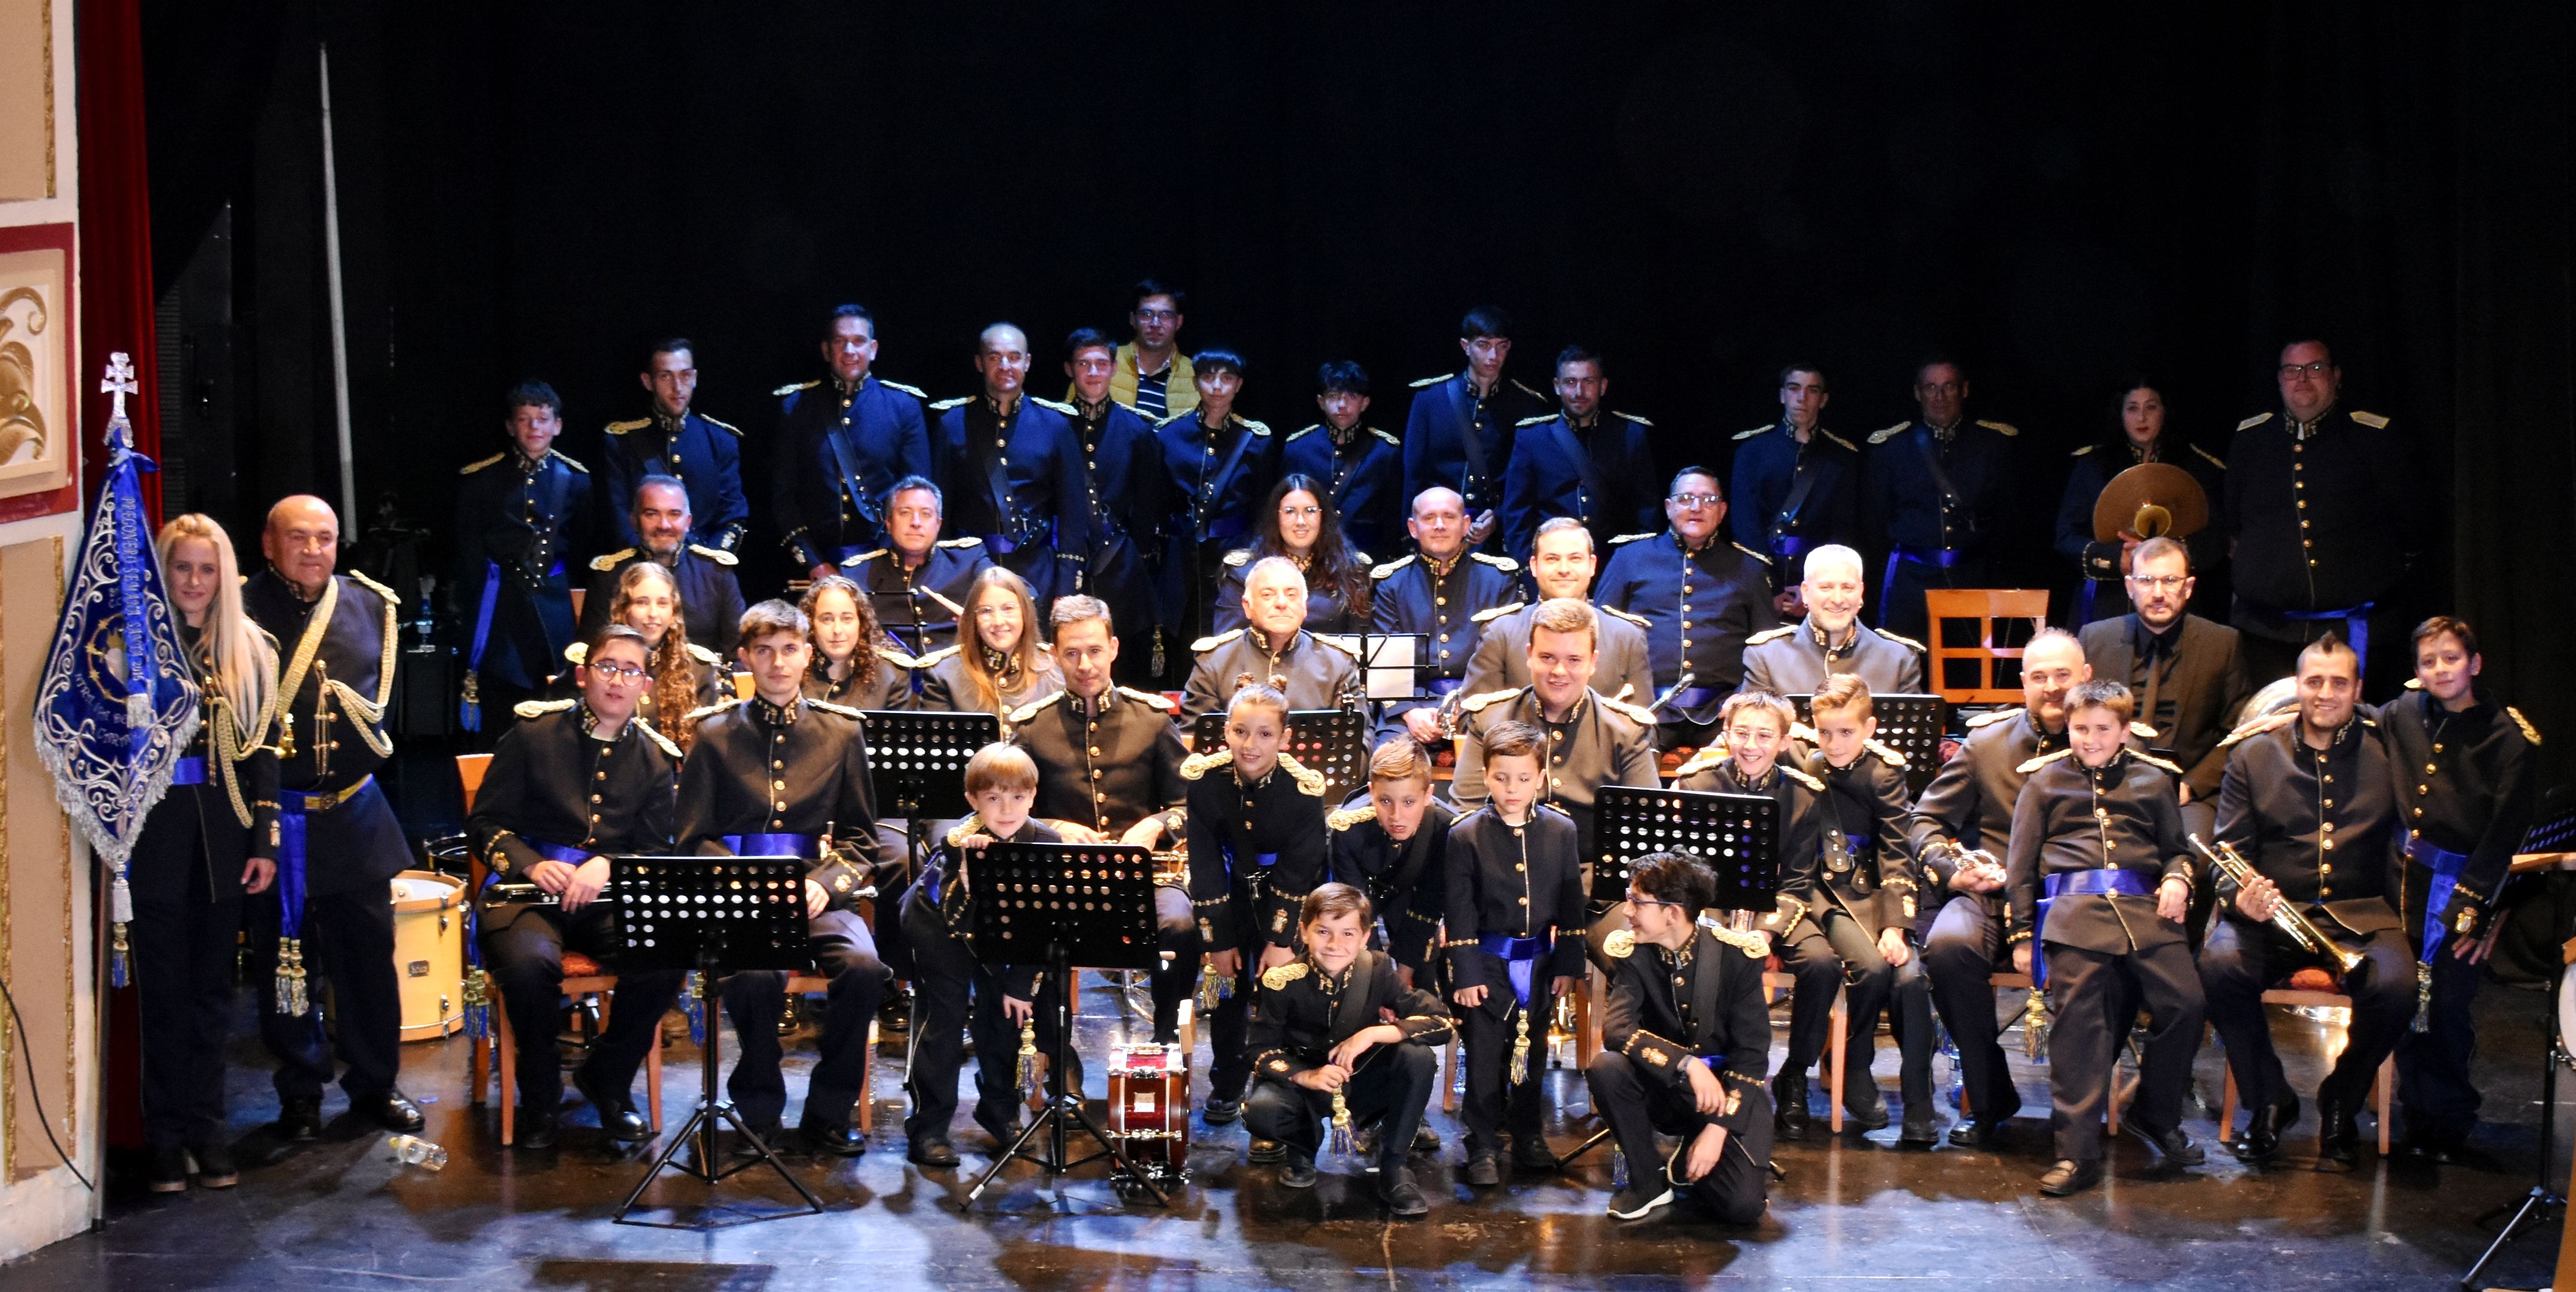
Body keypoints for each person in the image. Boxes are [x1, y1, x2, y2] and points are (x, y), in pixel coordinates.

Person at [675, 600, 888, 1157]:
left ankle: (829, 1109)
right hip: (742, 896)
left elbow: (861, 840)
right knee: (752, 976)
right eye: (764, 651)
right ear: (744, 656)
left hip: (816, 891)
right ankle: (759, 1110)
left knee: (866, 969)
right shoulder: (713, 734)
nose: (777, 662)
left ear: (807, 655)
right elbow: (694, 838)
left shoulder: (841, 734)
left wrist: (828, 884)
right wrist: (747, 883)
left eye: (789, 649)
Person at [243, 496, 421, 1140]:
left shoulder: (374, 604)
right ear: (269, 542)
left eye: (325, 538)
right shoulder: (236, 609)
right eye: (298, 537)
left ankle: (375, 1084)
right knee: (286, 963)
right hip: (276, 821)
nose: (314, 549)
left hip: (354, 813)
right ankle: (299, 1092)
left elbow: (381, 720)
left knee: (370, 963)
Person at [470, 624, 687, 1149]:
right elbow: (485, 825)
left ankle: (608, 1080)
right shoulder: (533, 734)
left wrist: (608, 862)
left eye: (631, 671)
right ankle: (540, 1097)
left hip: (607, 898)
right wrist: (528, 863)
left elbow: (657, 848)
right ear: (584, 674)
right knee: (527, 967)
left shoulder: (657, 758)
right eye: (608, 667)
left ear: (647, 686)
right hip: (528, 894)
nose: (617, 680)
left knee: (667, 954)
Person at [2202, 634, 2407, 1165]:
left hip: (2361, 915)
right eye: (2314, 681)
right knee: (2219, 968)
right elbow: (2227, 850)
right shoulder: (2254, 754)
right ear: (2296, 685)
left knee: (2398, 986)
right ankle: (2270, 1097)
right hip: (2272, 914)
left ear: (2358, 690)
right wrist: (2239, 896)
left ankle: (2342, 1094)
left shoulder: (2388, 751)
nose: (2324, 693)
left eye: (2339, 682)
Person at [2006, 678, 2206, 1197]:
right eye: (2079, 729)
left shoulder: (2154, 781)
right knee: (2080, 1019)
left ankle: (2154, 1114)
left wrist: (2179, 877)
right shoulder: (2045, 783)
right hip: (2074, 915)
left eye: (2102, 729)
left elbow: (2177, 849)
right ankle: (2076, 1153)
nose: (2090, 739)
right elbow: (2020, 868)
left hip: (2146, 914)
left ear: (2124, 730)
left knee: (2187, 1003)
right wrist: (2024, 935)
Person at [132, 515, 280, 1190]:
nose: (193, 582)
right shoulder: (131, 647)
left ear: (225, 576)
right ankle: (164, 1137)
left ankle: (207, 1128)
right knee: (164, 995)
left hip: (226, 838)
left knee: (214, 995)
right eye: (182, 568)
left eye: (206, 568)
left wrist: (264, 842)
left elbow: (265, 755)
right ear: (163, 573)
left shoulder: (251, 648)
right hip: (156, 841)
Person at [1906, 627, 2091, 1147]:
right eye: (2039, 677)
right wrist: (1951, 868)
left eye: (2063, 675)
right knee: (1946, 947)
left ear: (2087, 678)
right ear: (2023, 682)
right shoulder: (1987, 744)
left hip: (2077, 898)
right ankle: (1990, 1096)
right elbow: (1924, 819)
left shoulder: (2107, 738)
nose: (2052, 687)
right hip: (1994, 893)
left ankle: (2081, 1112)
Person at [2383, 616, 2538, 1163]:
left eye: (2450, 658)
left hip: (2463, 888)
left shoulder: (2510, 739)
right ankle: (2412, 1107)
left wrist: (2481, 906)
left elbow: (2505, 837)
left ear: (2474, 663)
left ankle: (2448, 1115)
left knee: (2446, 1002)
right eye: (2428, 661)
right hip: (2400, 881)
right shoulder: (2404, 712)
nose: (2440, 669)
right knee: (2403, 996)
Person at [1008, 595, 1198, 1042]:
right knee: (1036, 931)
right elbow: (1009, 812)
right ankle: (1062, 1076)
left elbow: (1191, 804)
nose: (1085, 664)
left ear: (1113, 647)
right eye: (1071, 653)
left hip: (1148, 874)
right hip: (1065, 878)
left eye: (1094, 650)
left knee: (1181, 926)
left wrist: (1156, 825)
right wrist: (1051, 829)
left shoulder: (1150, 720)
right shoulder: (1033, 728)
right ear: (1053, 655)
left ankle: (1165, 1040)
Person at [2222, 340, 2425, 686]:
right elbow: (2235, 523)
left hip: (2356, 631)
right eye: (2292, 370)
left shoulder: (2373, 438)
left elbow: (2411, 526)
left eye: (2314, 369)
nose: (2302, 379)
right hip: (2267, 634)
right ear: (2280, 379)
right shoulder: (2253, 440)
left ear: (2335, 376)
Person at [1588, 851, 1777, 1225]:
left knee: (1741, 1208)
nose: (1627, 910)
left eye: (1636, 901)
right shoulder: (1634, 953)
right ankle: (1648, 1181)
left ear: (1673, 912)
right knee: (1606, 1067)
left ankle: (1694, 1148)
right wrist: (1686, 1064)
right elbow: (1617, 1030)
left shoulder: (1736, 957)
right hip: (1666, 1087)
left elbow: (1753, 1055)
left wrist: (1718, 1128)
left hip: (1725, 1095)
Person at [1244, 883, 1454, 1216]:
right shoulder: (1281, 981)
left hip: (1361, 1082)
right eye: (1324, 931)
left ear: (1365, 936)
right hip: (1306, 1091)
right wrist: (1305, 1076)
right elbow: (1258, 1051)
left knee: (1418, 1058)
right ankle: (1302, 1150)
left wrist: (1375, 1033)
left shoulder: (1378, 969)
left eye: (1347, 934)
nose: (1335, 945)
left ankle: (1394, 1168)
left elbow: (1442, 1022)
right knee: (1261, 1111)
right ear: (1304, 932)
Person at [1671, 692, 1827, 1133]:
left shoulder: (1802, 794)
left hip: (1776, 909)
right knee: (1710, 960)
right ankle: (1704, 1072)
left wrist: (1767, 933)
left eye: (1764, 735)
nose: (1751, 745)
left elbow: (1798, 880)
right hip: (1711, 909)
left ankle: (1795, 1074)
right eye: (1741, 733)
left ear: (1783, 741)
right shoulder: (1698, 782)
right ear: (1726, 734)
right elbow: (1684, 869)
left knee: (1822, 965)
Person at [898, 743, 1059, 1166]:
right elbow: (945, 902)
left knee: (1006, 1016)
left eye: (1018, 797)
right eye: (992, 798)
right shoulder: (955, 839)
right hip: (940, 929)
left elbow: (1041, 922)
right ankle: (929, 1126)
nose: (1007, 808)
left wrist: (1019, 985)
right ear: (972, 800)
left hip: (1005, 938)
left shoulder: (1046, 842)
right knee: (943, 1021)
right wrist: (969, 874)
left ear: (1033, 795)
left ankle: (1000, 1110)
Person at [1795, 677, 1937, 1144]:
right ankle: (1853, 1066)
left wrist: (1895, 924)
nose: (1833, 743)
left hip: (1877, 895)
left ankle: (1919, 1099)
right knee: (1872, 968)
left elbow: (1898, 852)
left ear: (1870, 727)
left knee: (1912, 979)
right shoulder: (1807, 765)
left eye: (1846, 732)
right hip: (1826, 894)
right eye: (1824, 731)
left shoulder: (1883, 773)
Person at [1445, 720, 1588, 1185]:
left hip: (1540, 966)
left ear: (1541, 777)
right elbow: (1460, 912)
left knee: (1533, 1055)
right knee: (1484, 1056)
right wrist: (1465, 974)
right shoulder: (1465, 834)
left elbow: (1570, 904)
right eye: (1502, 777)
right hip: (1487, 966)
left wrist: (1568, 962)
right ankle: (1482, 1142)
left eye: (1524, 777)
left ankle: (1528, 1133)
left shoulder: (1561, 830)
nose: (1512, 788)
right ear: (1485, 775)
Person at [1184, 685, 1331, 1127]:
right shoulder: (1206, 781)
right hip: (1230, 892)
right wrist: (1218, 939)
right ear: (1225, 732)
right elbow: (1205, 862)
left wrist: (1281, 940)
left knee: (1281, 992)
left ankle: (1278, 1086)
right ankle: (1227, 1082)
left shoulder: (1303, 789)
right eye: (1241, 732)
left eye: (1265, 734)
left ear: (1285, 738)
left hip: (1287, 899)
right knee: (1226, 990)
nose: (1251, 745)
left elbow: (1298, 870)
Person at [1451, 598, 1661, 868]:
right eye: (1547, 658)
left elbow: (1645, 831)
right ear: (1529, 655)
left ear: (1593, 662)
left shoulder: (1626, 731)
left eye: (1574, 660)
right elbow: (1466, 816)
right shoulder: (1489, 720)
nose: (1559, 672)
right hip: (1503, 878)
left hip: (1593, 885)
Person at [2076, 536, 2250, 838]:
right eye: (2146, 581)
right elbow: (2076, 721)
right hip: (2106, 786)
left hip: (2187, 794)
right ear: (2130, 587)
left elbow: (2238, 733)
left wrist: (2194, 785)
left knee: (2191, 857)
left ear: (2189, 587)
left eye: (2170, 581)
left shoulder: (2222, 644)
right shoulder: (2095, 639)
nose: (2158, 593)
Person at [1596, 466, 1781, 747]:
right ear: (1668, 508)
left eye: (1708, 500)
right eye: (1685, 499)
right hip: (1645, 708)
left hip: (1723, 713)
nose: (1696, 507)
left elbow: (1770, 649)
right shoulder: (1629, 558)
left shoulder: (1750, 569)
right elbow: (1601, 635)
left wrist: (1745, 697)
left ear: (1722, 511)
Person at [452, 381, 592, 729]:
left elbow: (583, 547)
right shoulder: (481, 480)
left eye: (542, 419)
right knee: (503, 698)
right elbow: (469, 553)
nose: (534, 428)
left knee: (558, 698)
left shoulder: (575, 480)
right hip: (499, 605)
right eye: (525, 419)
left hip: (554, 606)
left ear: (557, 426)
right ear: (511, 426)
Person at [927, 323, 1090, 606]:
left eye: (1014, 357)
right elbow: (941, 511)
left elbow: (1073, 512)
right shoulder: (951, 423)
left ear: (1027, 363)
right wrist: (946, 578)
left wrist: (1066, 585)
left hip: (1039, 573)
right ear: (980, 363)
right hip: (971, 571)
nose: (1005, 365)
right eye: (994, 357)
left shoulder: (1055, 425)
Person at [1862, 358, 2018, 641]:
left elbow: (2006, 518)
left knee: (1973, 670)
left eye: (1948, 387)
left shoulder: (1992, 445)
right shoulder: (1893, 447)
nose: (1939, 397)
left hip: (1973, 577)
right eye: (1931, 388)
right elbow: (1877, 520)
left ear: (1964, 390)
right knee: (1905, 668)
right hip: (1910, 581)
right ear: (1918, 393)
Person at [773, 303, 933, 579]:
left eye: (859, 342)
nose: (850, 351)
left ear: (873, 349)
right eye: (840, 342)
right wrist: (813, 563)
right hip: (817, 568)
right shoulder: (797, 407)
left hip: (887, 566)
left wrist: (891, 557)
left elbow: (918, 494)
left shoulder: (902, 406)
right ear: (826, 350)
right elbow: (783, 498)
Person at [2054, 379, 2226, 625]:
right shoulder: (2093, 466)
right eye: (2133, 408)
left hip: (2176, 603)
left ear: (2164, 411)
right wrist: (2116, 558)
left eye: (2151, 408)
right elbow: (2066, 537)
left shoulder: (2196, 467)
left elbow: (2215, 536)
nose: (2142, 418)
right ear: (2121, 414)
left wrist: (2166, 559)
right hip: (2108, 604)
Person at [1063, 327, 1172, 687]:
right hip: (1065, 561)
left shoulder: (1138, 430)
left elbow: (1147, 508)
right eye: (1084, 364)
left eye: (1100, 364)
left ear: (1113, 369)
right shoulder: (1055, 425)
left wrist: (1133, 555)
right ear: (1070, 369)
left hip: (1122, 569)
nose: (1093, 373)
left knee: (1122, 669)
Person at [1370, 487, 1520, 746]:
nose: (1439, 525)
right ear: (1413, 528)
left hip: (1481, 707)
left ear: (1465, 525)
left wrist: (1469, 707)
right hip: (1412, 707)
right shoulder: (1392, 584)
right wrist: (1409, 711)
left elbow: (1506, 660)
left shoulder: (1497, 579)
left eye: (1449, 517)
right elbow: (1384, 664)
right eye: (1429, 518)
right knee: (1390, 758)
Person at [1156, 348, 1278, 668]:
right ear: (1196, 383)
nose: (1217, 387)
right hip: (1180, 555)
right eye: (1209, 378)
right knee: (1180, 637)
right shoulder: (1169, 435)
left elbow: (1262, 510)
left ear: (1238, 385)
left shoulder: (1255, 441)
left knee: (1230, 634)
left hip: (1232, 553)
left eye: (1226, 379)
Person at [1459, 517, 1654, 706]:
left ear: (1592, 565)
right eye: (1552, 559)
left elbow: (1642, 729)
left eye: (1575, 559)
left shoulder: (1628, 636)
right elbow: (1474, 718)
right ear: (1534, 566)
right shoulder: (1500, 632)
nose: (1564, 569)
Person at [1404, 306, 1546, 550]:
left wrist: (1498, 517)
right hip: (1435, 531)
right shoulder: (1431, 399)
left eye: (1501, 346)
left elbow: (1528, 481)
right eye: (1483, 345)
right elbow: (1413, 475)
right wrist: (1410, 539)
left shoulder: (1526, 405)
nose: (1493, 356)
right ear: (1465, 346)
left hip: (1494, 536)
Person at [1501, 345, 1658, 560]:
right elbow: (1517, 514)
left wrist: (1639, 563)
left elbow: (1646, 511)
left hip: (1614, 564)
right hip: (1554, 564)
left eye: (1588, 382)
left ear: (1603, 386)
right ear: (1557, 386)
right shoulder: (1532, 438)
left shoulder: (1630, 434)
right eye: (1570, 382)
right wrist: (1529, 570)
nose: (1579, 392)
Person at [1325, 741, 1455, 988]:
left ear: (1428, 794)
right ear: (1371, 791)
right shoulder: (1346, 830)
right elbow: (1357, 910)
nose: (1396, 816)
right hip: (1360, 905)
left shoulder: (1445, 829)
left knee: (1425, 974)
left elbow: (1428, 904)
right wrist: (1379, 983)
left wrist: (1404, 972)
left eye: (1408, 802)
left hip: (1415, 904)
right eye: (1385, 801)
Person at [600, 338, 748, 555]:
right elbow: (621, 519)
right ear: (648, 381)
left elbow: (732, 516)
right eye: (665, 376)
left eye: (685, 375)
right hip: (643, 572)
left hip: (703, 570)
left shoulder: (720, 440)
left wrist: (704, 564)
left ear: (695, 378)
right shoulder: (623, 442)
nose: (677, 387)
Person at [579, 475, 748, 658]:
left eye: (674, 514)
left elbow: (739, 656)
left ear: (688, 522)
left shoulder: (716, 573)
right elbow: (590, 656)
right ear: (634, 521)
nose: (664, 525)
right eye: (652, 514)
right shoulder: (609, 577)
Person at [1730, 364, 1861, 601]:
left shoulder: (1841, 457)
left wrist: (1817, 587)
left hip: (1818, 585)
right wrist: (1770, 587)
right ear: (1782, 395)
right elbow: (1745, 528)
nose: (1802, 398)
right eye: (1794, 389)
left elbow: (1841, 532)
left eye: (1812, 390)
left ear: (1823, 400)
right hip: (1759, 580)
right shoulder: (1752, 451)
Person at [567, 561, 725, 750]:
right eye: (642, 602)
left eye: (662, 603)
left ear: (673, 611)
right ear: (624, 608)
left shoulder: (697, 669)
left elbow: (703, 749)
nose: (653, 613)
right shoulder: (596, 661)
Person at [1181, 556, 1362, 720]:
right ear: (1247, 606)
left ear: (1305, 607)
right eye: (1268, 595)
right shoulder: (1214, 662)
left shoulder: (1338, 663)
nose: (1282, 603)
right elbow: (1193, 740)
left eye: (1291, 595)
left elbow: (1359, 740)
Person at [1738, 544, 1926, 698]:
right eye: (1826, 587)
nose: (1837, 599)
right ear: (1805, 592)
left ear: (1861, 593)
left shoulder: (1899, 658)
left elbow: (1912, 741)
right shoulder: (1766, 657)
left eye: (1847, 587)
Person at [842, 476, 994, 660]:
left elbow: (1022, 596)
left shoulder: (968, 560)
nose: (916, 522)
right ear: (889, 523)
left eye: (926, 514)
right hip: (887, 679)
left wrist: (982, 618)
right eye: (905, 513)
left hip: (959, 673)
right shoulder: (857, 574)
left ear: (938, 524)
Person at [1214, 475, 1374, 635]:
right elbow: (1228, 648)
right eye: (1290, 512)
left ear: (1322, 516)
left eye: (1310, 511)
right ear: (1276, 517)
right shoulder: (1244, 573)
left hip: (1331, 659)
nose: (1301, 521)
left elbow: (1360, 646)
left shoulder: (1351, 570)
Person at [1281, 360, 1405, 560]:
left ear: (1365, 403)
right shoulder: (1299, 449)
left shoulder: (1384, 451)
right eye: (1334, 397)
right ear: (1321, 402)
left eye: (1351, 397)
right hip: (1310, 554)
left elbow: (1392, 517)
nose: (1342, 405)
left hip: (1366, 556)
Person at [918, 566, 1062, 731]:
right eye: (986, 611)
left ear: (1026, 613)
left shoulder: (1057, 672)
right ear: (974, 619)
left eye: (1008, 609)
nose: (998, 621)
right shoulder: (944, 676)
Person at [1070, 278, 1196, 419]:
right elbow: (1069, 421)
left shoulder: (1195, 374)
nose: (1155, 323)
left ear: (1178, 322)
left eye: (1165, 315)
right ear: (1132, 319)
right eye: (1146, 314)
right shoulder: (1103, 362)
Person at [799, 574, 914, 709]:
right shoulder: (792, 670)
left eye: (847, 619)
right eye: (827, 619)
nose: (837, 630)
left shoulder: (892, 675)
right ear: (811, 624)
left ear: (861, 622)